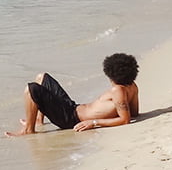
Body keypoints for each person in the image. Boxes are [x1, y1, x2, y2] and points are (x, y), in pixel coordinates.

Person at [7, 53, 140, 136]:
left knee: (31, 89)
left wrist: (93, 122)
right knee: (42, 77)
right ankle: (37, 120)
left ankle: (29, 130)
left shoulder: (118, 90)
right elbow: (134, 113)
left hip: (70, 119)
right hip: (72, 108)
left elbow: (125, 119)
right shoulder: (132, 87)